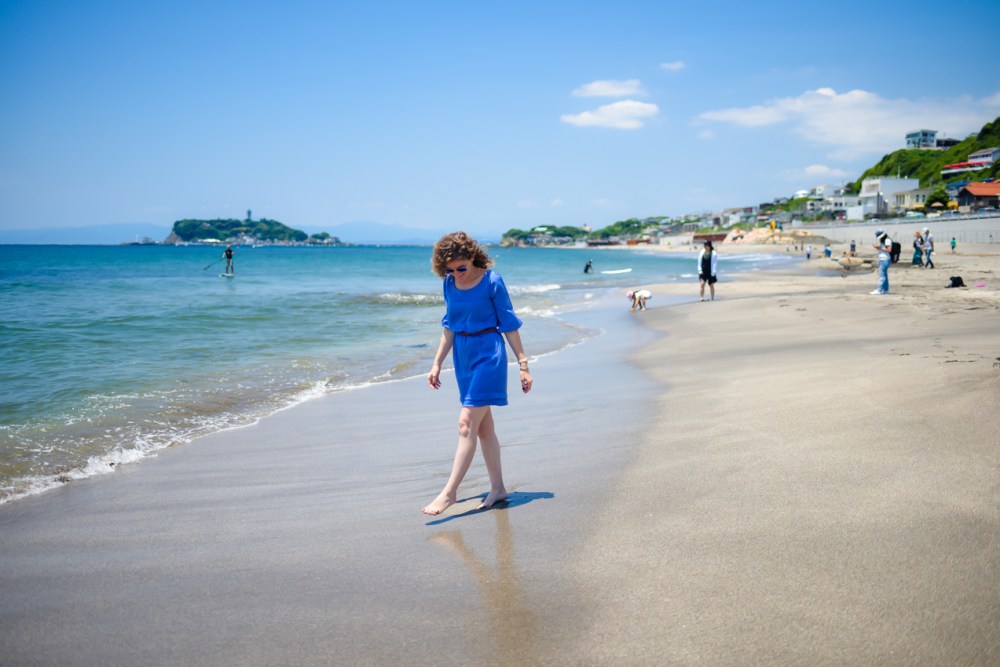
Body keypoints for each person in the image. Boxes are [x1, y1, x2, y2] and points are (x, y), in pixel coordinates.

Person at [422, 232, 533, 516]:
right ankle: (498, 488)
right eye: (450, 270)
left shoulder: (492, 281)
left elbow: (509, 323)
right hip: (463, 356)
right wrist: (436, 363)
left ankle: (449, 493)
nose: (456, 274)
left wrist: (523, 365)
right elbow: (449, 325)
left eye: (461, 268)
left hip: (488, 354)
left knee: (466, 423)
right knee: (484, 428)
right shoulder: (449, 284)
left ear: (473, 257)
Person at [871, 229, 892, 295]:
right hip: (884, 259)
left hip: (885, 259)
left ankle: (879, 290)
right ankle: (885, 290)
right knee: (884, 275)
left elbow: (889, 250)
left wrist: (879, 248)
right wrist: (878, 247)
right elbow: (885, 248)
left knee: (882, 276)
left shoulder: (887, 240)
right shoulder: (885, 240)